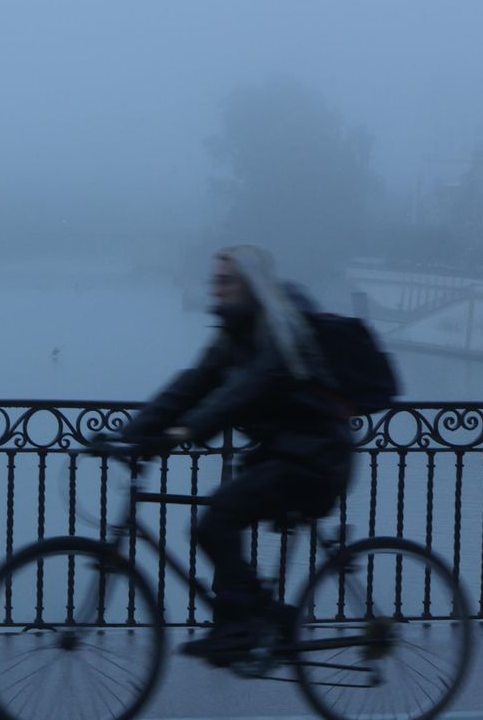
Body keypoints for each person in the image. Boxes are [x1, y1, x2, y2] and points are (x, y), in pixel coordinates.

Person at [121, 245, 354, 663]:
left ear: (250, 283)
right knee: (215, 521)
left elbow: (247, 388)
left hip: (316, 459)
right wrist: (132, 434)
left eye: (225, 281)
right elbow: (192, 383)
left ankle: (247, 621)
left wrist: (187, 430)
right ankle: (249, 617)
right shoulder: (235, 332)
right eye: (216, 280)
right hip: (284, 455)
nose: (216, 289)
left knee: (217, 519)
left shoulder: (282, 328)